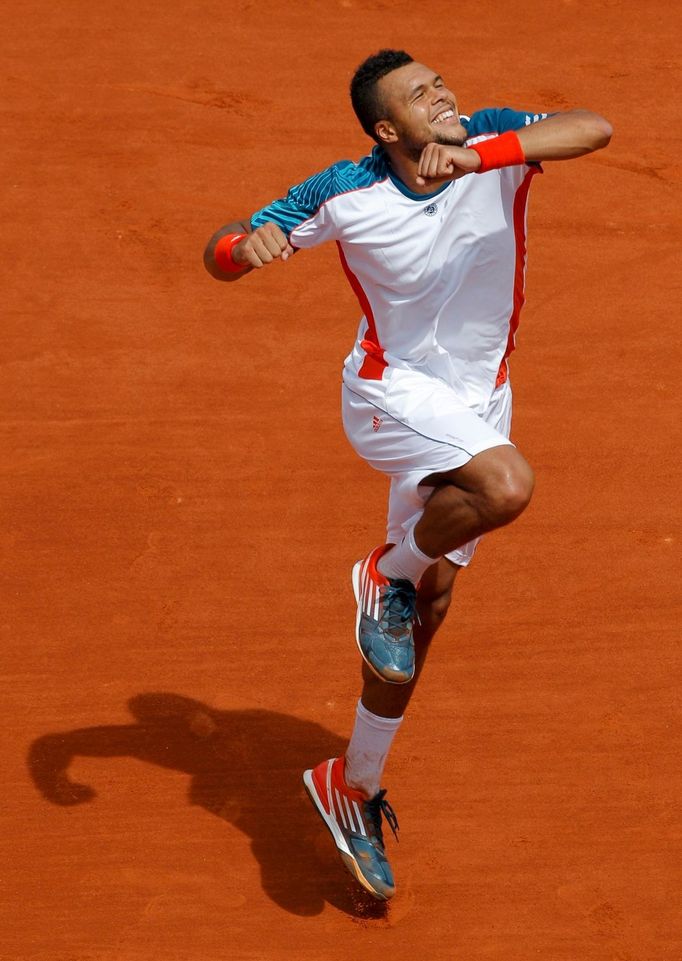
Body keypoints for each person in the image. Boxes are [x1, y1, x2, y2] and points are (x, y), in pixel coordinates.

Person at [204, 49, 612, 901]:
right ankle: (378, 571)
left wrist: (478, 155)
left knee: (422, 618)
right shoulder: (342, 190)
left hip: (478, 401)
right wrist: (252, 245)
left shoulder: (494, 137)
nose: (444, 95)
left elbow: (594, 129)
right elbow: (224, 252)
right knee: (504, 489)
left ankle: (349, 782)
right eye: (421, 97)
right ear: (388, 130)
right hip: (392, 392)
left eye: (439, 82)